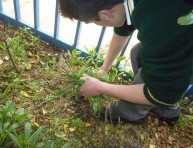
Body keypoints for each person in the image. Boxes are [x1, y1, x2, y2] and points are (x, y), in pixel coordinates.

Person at [59, 0, 193, 125]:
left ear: (105, 13)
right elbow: (123, 27)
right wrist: (105, 68)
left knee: (152, 76)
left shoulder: (162, 25)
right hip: (181, 35)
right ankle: (167, 110)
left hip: (179, 32)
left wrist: (101, 87)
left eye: (93, 22)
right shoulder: (128, 4)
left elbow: (161, 94)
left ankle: (130, 113)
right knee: (138, 53)